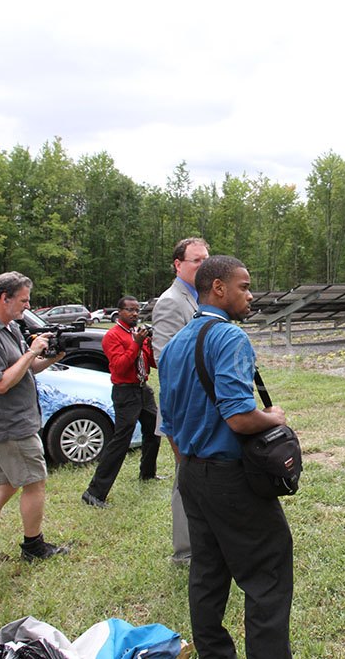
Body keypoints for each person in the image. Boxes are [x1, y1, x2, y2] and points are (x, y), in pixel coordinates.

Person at [158, 255, 293, 658]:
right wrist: (272, 417)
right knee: (267, 573)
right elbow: (237, 416)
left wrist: (187, 466)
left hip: (192, 475)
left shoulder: (174, 344)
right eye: (244, 286)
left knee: (207, 572)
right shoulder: (229, 337)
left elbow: (169, 420)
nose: (250, 295)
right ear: (218, 288)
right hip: (231, 479)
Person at [0, 271, 70, 562]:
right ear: (4, 298)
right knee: (34, 483)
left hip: (8, 423)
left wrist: (52, 355)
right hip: (10, 425)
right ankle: (33, 547)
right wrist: (30, 352)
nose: (27, 305)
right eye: (23, 300)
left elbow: (29, 369)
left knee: (3, 486)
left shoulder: (7, 327)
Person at [152, 237, 210, 564]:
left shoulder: (198, 298)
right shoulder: (172, 301)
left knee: (200, 476)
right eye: (196, 261)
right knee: (185, 478)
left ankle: (201, 542)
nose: (203, 265)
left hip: (201, 406)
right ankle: (186, 551)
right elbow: (165, 359)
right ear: (178, 264)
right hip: (184, 408)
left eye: (206, 259)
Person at [81, 295, 160, 509]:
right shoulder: (112, 336)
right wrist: (135, 344)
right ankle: (94, 492)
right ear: (119, 312)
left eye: (137, 310)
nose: (135, 314)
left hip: (143, 390)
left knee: (154, 431)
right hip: (125, 393)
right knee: (120, 442)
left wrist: (149, 345)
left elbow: (151, 363)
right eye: (130, 310)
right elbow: (119, 367)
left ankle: (147, 473)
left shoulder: (137, 333)